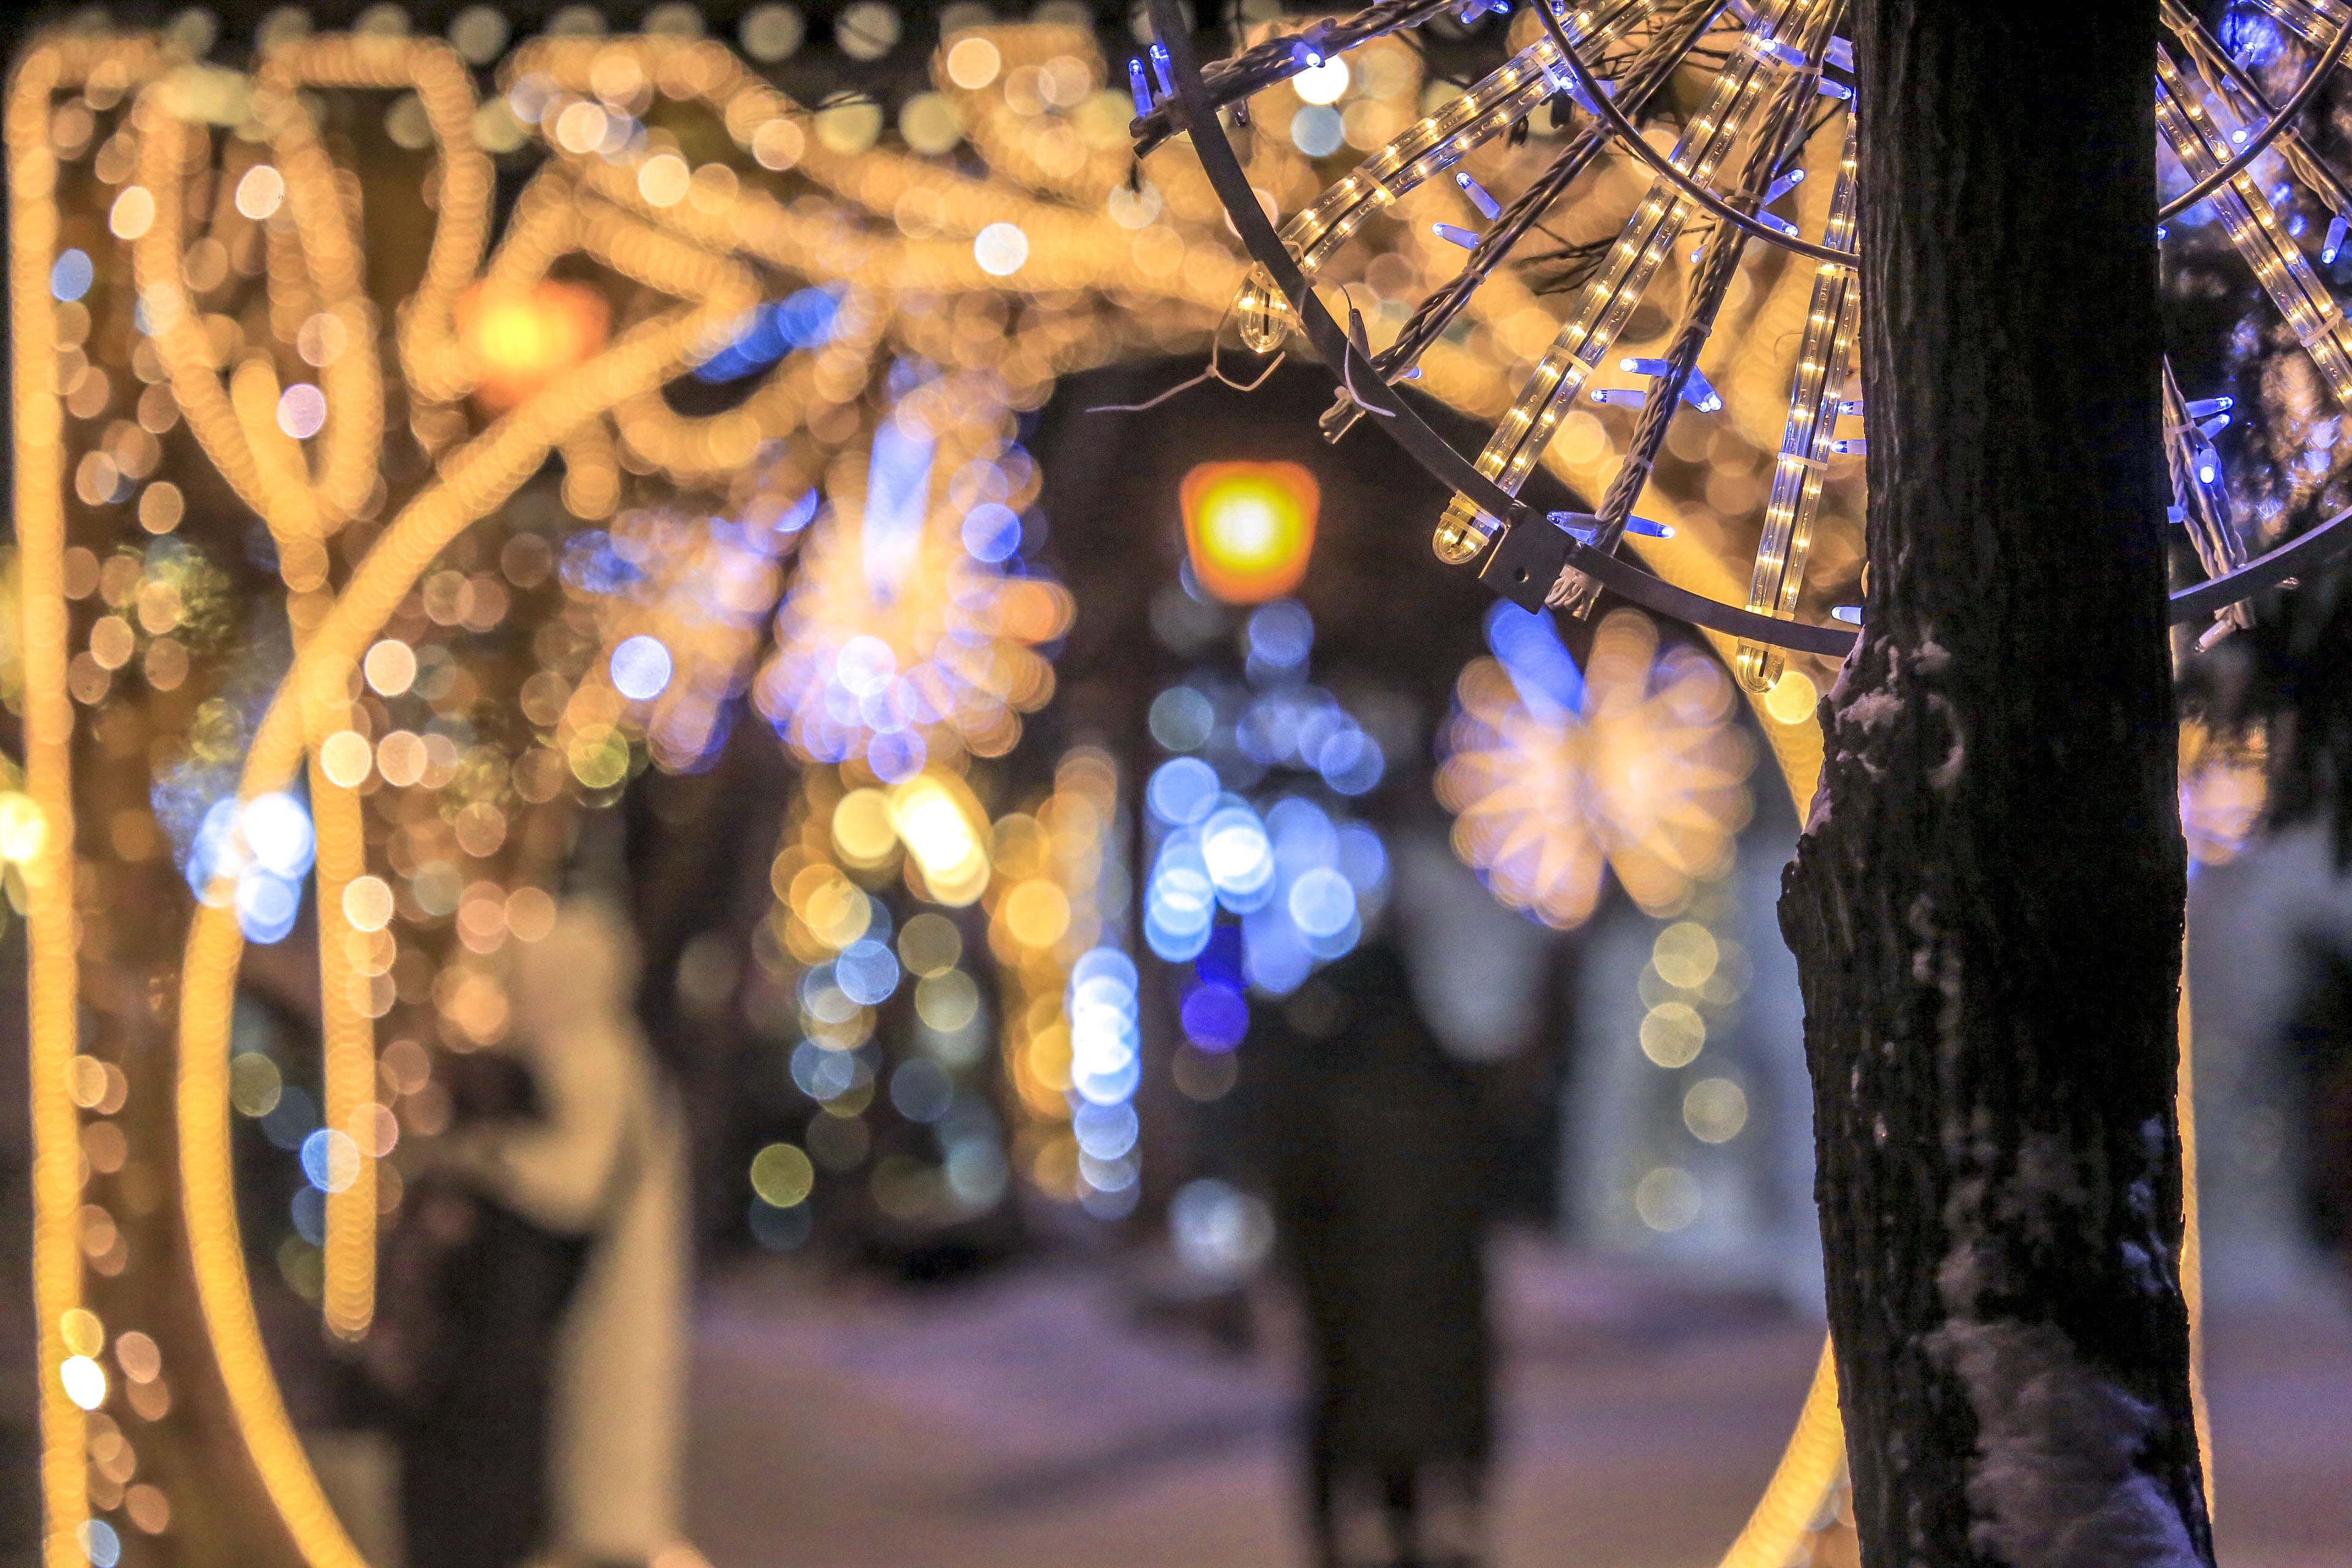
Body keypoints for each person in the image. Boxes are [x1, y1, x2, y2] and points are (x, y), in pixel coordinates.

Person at [386, 898, 693, 1568]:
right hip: (575, 1307)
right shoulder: (600, 1050)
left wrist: (480, 1161)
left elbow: (574, 1186)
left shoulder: (589, 1054)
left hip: (588, 1310)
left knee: (589, 1460)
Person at [1249, 935, 1493, 1568]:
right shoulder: (1440, 1087)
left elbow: (1298, 1191)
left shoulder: (1329, 1090)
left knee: (1357, 1430)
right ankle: (1409, 1536)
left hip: (1354, 1321)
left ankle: (1351, 1541)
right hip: (1421, 1326)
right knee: (1406, 1444)